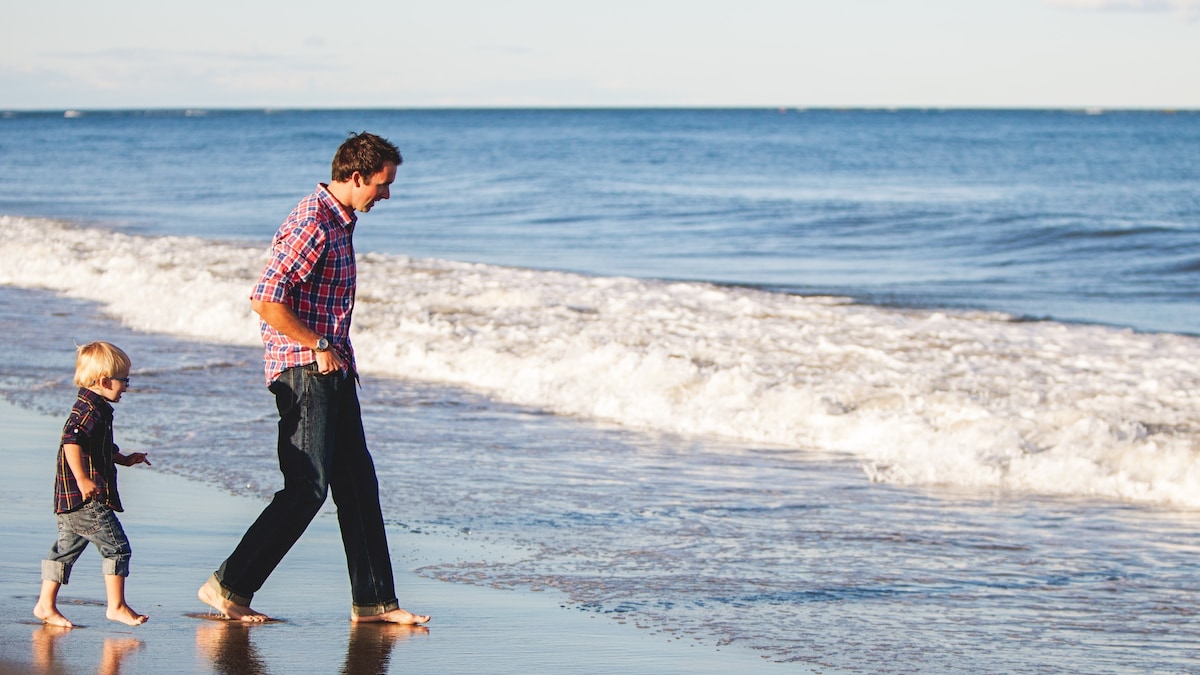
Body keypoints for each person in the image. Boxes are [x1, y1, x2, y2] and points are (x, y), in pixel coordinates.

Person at [198, 131, 429, 625]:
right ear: (355, 176)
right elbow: (265, 297)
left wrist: (332, 351)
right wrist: (317, 344)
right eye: (382, 185)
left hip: (333, 368)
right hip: (305, 370)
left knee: (358, 486)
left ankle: (374, 603)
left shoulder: (339, 221)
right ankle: (229, 586)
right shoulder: (314, 222)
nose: (386, 195)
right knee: (308, 487)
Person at [33, 341, 152, 628]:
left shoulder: (94, 407)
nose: (126, 386)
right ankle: (117, 606)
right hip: (86, 498)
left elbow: (96, 445)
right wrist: (84, 479)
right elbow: (71, 441)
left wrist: (123, 459)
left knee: (65, 550)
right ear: (103, 381)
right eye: (124, 380)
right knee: (117, 548)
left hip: (69, 499)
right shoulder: (90, 410)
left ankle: (45, 605)